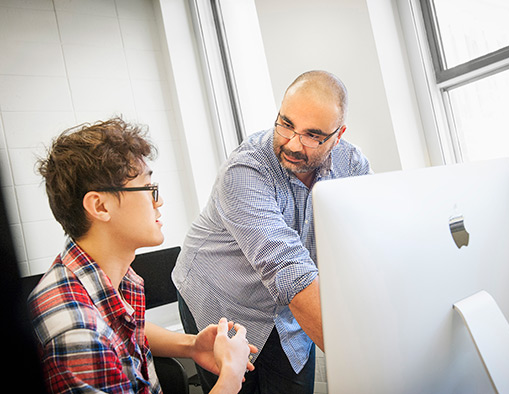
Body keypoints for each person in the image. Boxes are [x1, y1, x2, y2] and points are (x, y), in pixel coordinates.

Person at [172, 70, 372, 393]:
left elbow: (368, 242)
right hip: (220, 301)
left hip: (286, 316)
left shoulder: (353, 166)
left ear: (338, 135)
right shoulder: (246, 170)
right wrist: (372, 367)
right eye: (286, 124)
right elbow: (288, 269)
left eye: (312, 135)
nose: (293, 143)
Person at [28, 118, 257, 394]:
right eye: (148, 189)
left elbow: (124, 329)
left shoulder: (101, 275)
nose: (158, 201)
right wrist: (231, 375)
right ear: (100, 206)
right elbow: (100, 336)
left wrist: (192, 346)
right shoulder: (78, 334)